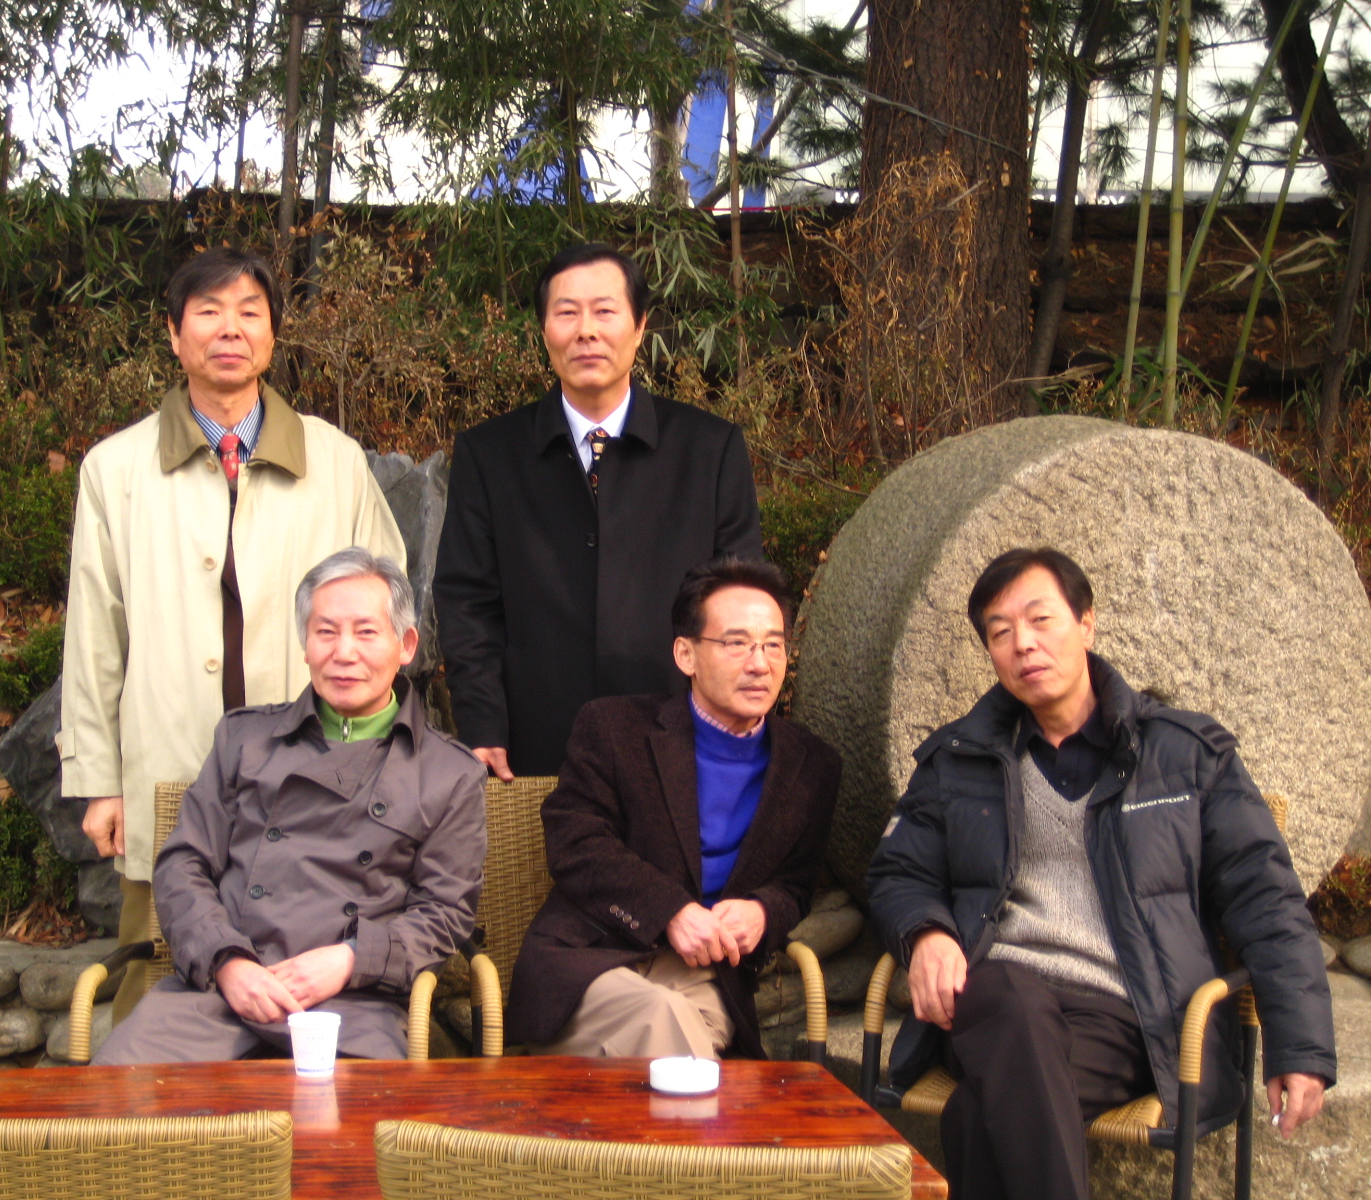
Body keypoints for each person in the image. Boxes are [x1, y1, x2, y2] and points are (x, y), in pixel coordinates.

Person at [866, 547, 1335, 1200]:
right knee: (1010, 995)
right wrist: (926, 933)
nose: (1023, 644)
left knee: (977, 1114)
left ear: (1086, 623)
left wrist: (1299, 1048)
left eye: (1041, 620)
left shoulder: (1184, 755)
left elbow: (1267, 899)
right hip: (987, 999)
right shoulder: (958, 759)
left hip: (1123, 1017)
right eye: (1000, 633)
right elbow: (898, 872)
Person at [62, 246, 405, 1020]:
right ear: (174, 334)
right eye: (209, 312)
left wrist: (374, 759)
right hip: (168, 759)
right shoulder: (114, 470)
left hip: (317, 773)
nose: (230, 329)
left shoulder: (336, 461)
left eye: (250, 312)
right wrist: (101, 780)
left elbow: (384, 616)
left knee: (304, 990)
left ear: (273, 335)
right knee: (158, 982)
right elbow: (93, 636)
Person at [93, 549, 486, 1064]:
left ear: (406, 645)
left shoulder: (449, 772)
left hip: (354, 1006)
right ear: (305, 644)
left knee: (353, 1114)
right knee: (121, 1098)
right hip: (218, 997)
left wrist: (349, 960)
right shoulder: (244, 739)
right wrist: (227, 962)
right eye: (326, 632)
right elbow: (182, 866)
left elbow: (444, 912)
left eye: (366, 632)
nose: (344, 652)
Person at [434, 243, 763, 780]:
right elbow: (467, 603)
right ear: (544, 330)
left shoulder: (709, 449)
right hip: (535, 745)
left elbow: (740, 602)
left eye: (605, 311)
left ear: (640, 326)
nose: (586, 331)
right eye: (567, 312)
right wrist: (482, 722)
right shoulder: (490, 455)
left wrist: (732, 717)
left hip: (681, 741)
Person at [504, 558, 841, 1059]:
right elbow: (576, 842)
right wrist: (669, 911)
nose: (760, 663)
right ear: (686, 654)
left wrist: (762, 911)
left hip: (706, 974)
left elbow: (797, 883)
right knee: (664, 1022)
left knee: (671, 1035)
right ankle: (709, 1116)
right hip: (593, 960)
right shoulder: (614, 728)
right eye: (736, 643)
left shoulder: (811, 765)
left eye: (773, 645)